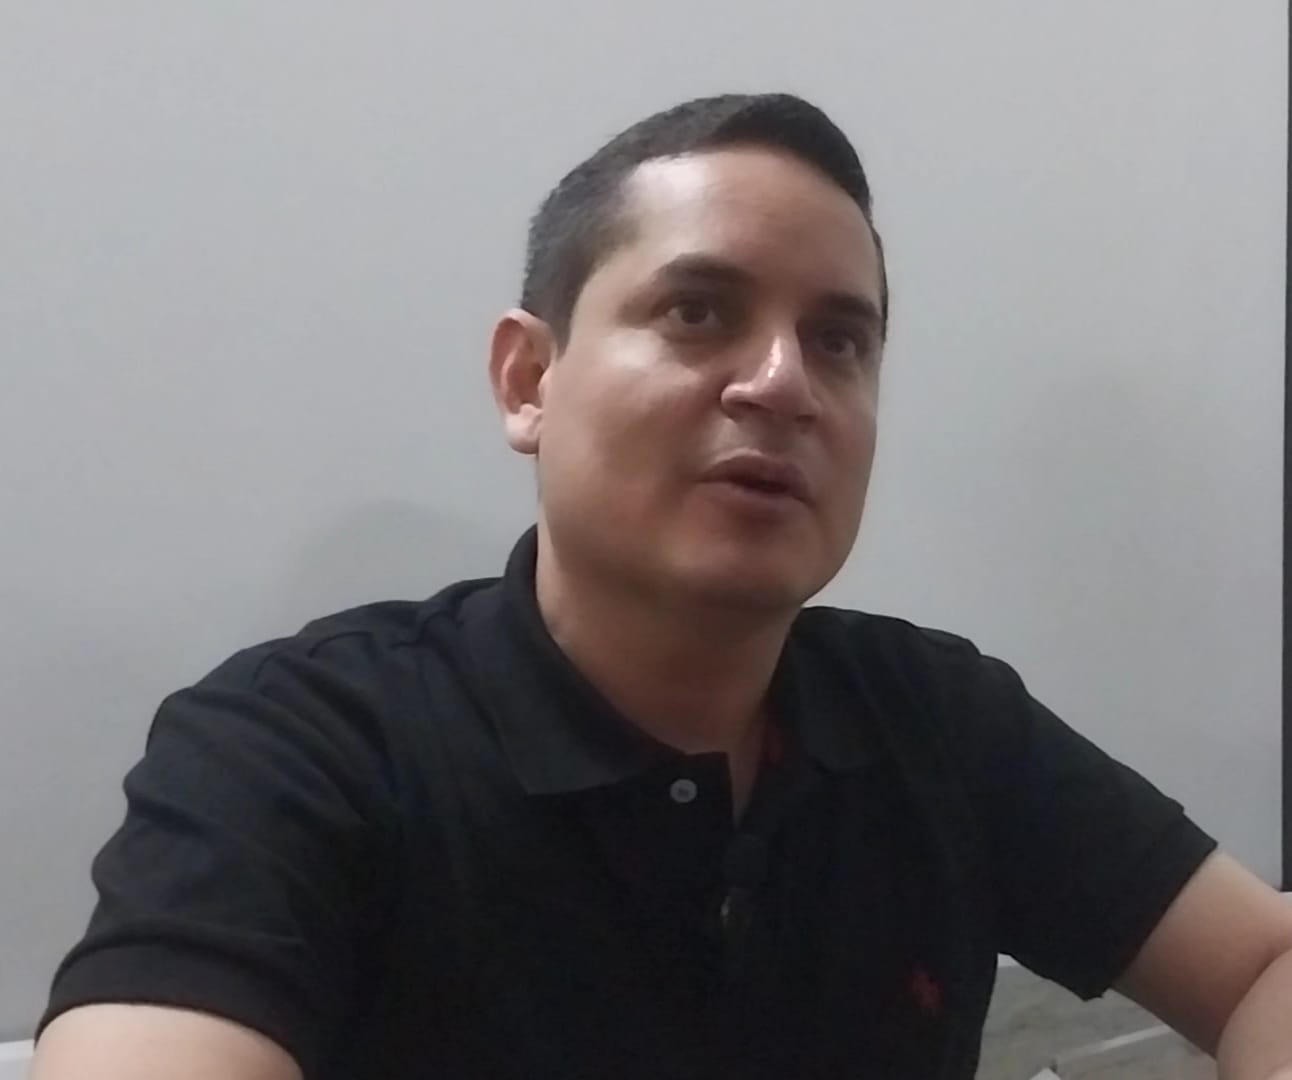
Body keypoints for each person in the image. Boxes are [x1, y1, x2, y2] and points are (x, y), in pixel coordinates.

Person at [31, 92, 1292, 1080]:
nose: (782, 384)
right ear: (528, 380)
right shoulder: (300, 750)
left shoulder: (934, 722)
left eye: (838, 341)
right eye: (697, 312)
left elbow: (1259, 966)